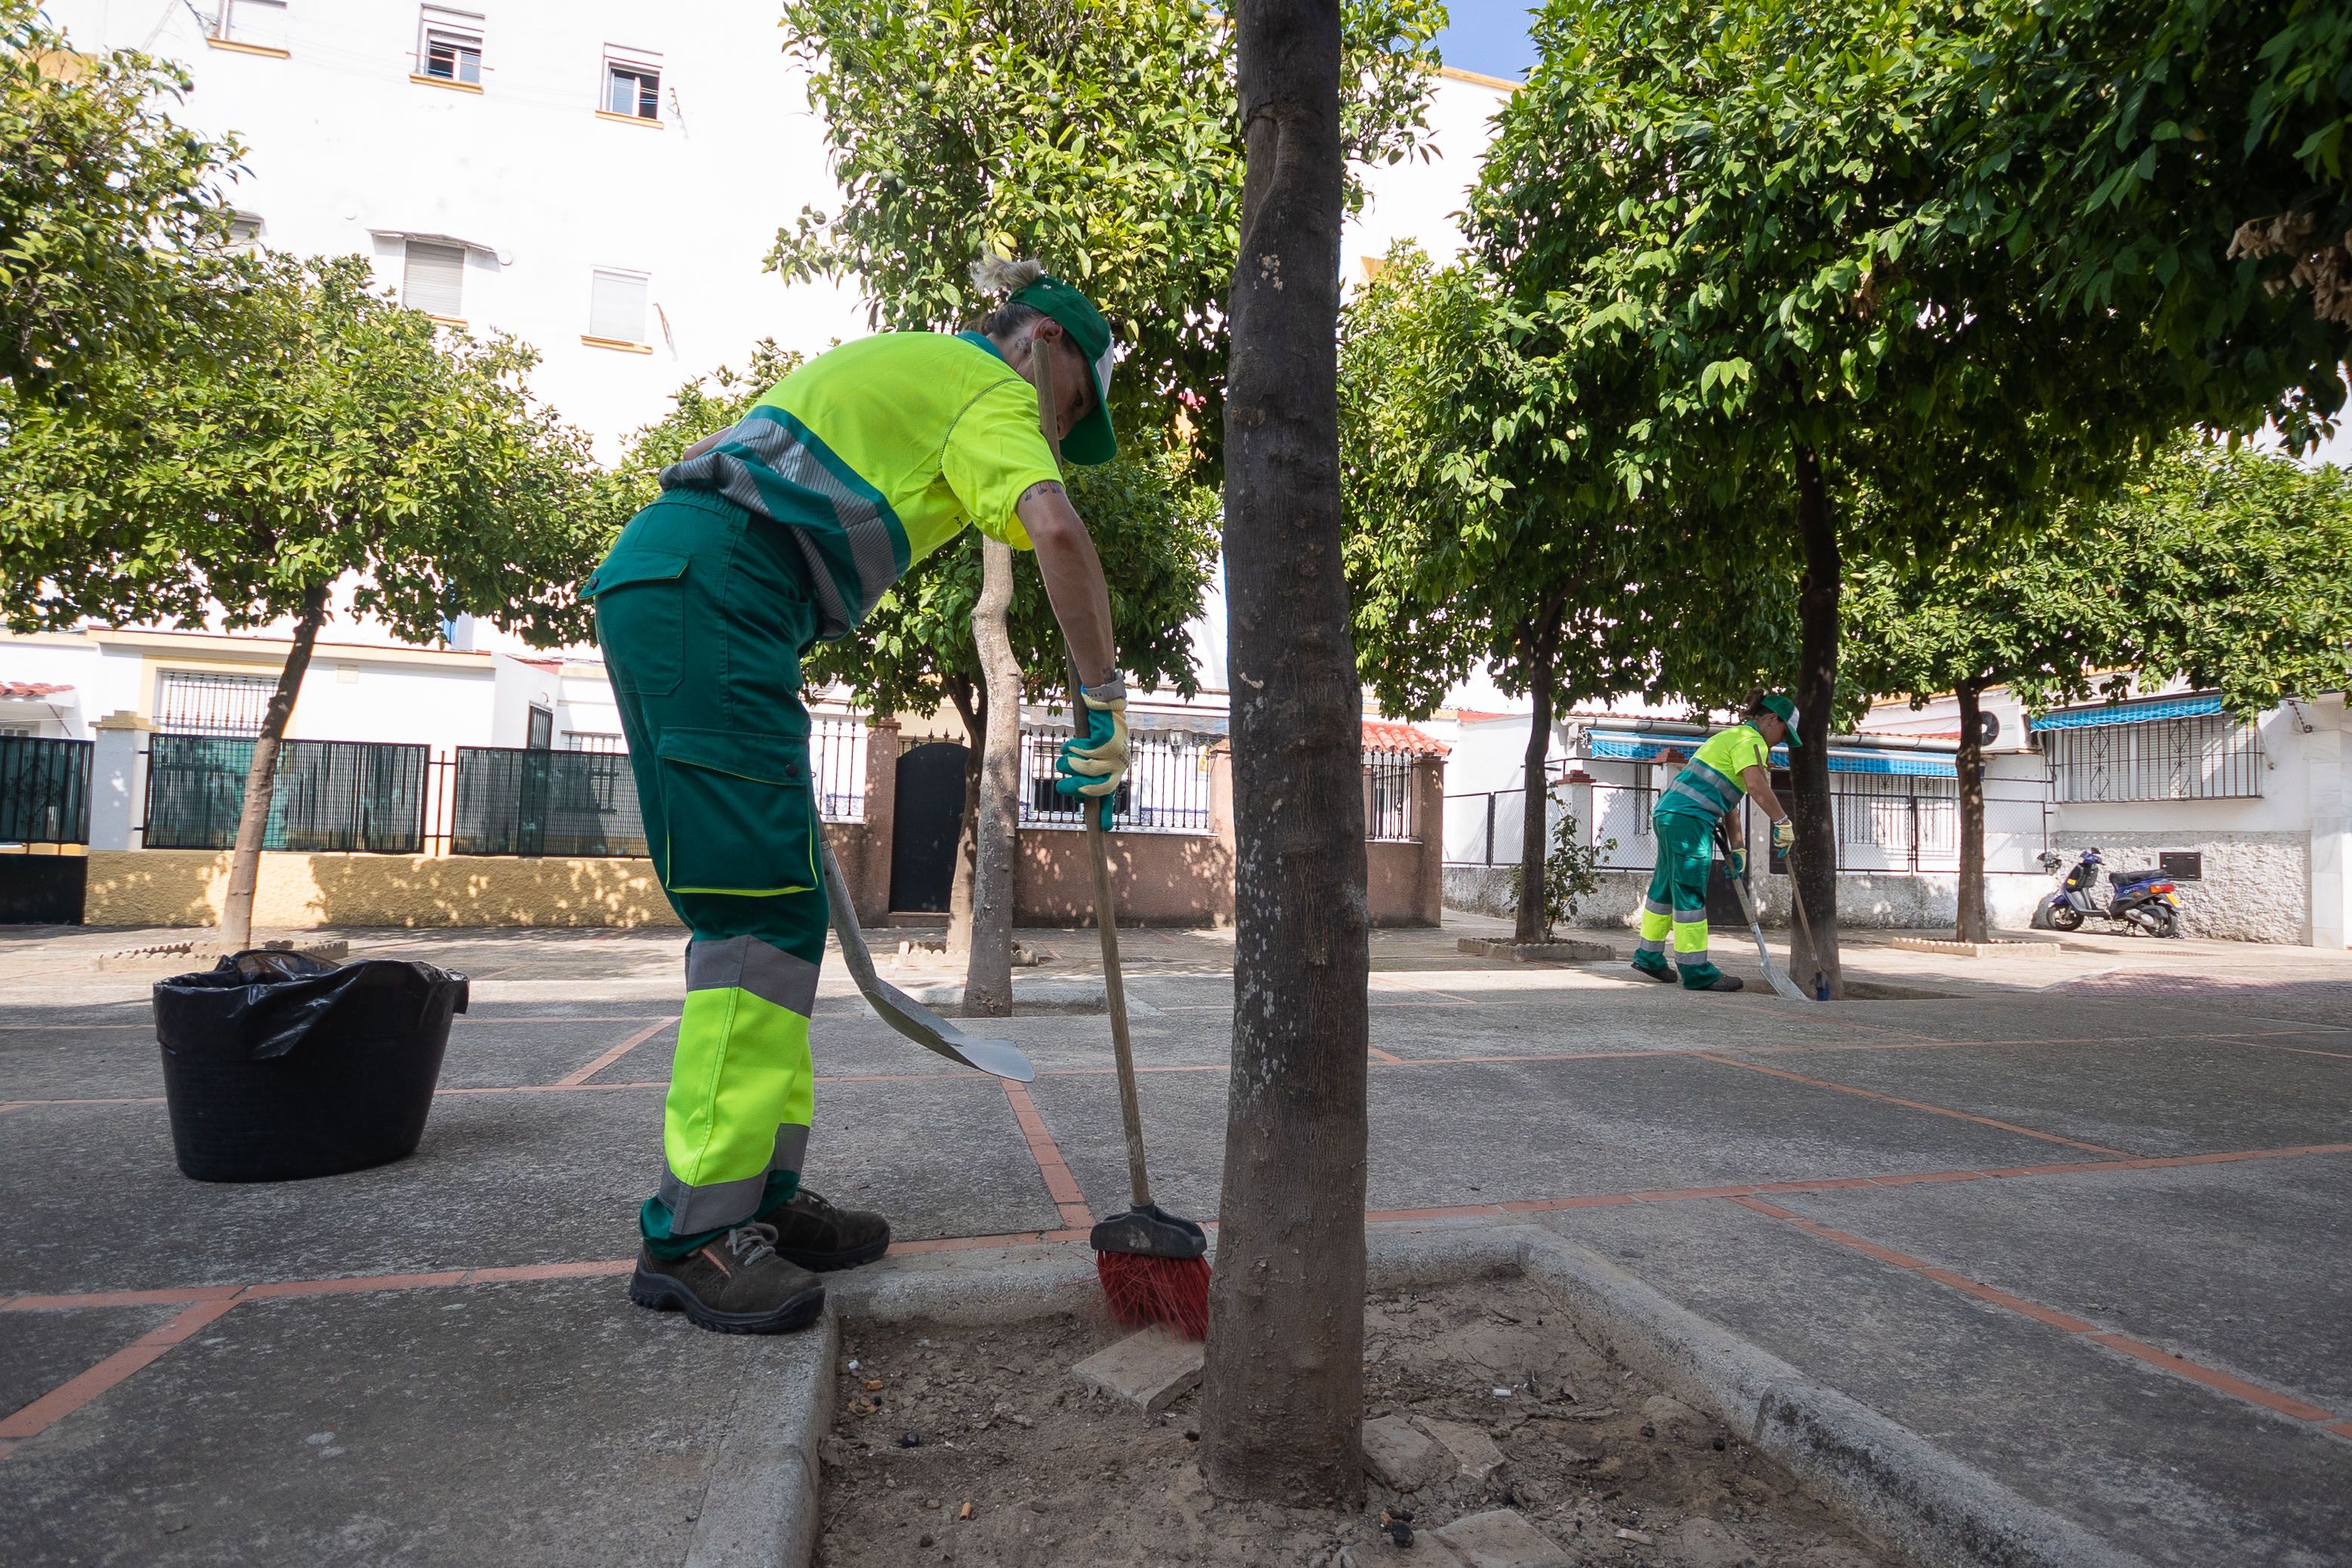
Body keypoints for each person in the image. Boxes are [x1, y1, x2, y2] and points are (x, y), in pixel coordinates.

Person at [583, 258, 1134, 1332]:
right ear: (1047, 347)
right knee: (753, 923)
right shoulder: (985, 382)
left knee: (779, 923)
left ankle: (760, 1204)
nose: (1059, 434)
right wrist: (1103, 703)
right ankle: (694, 1238)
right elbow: (1058, 531)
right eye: (1070, 409)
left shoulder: (926, 375)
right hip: (717, 591)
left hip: (709, 590)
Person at [1633, 691, 1801, 992]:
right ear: (1773, 719)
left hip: (1670, 814)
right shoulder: (1751, 742)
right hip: (1689, 820)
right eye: (1784, 733)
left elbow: (1730, 800)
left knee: (1665, 888)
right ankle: (1696, 970)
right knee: (1689, 893)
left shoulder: (1731, 737)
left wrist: (1738, 848)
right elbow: (1755, 785)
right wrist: (1782, 821)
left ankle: (1649, 955)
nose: (1781, 741)